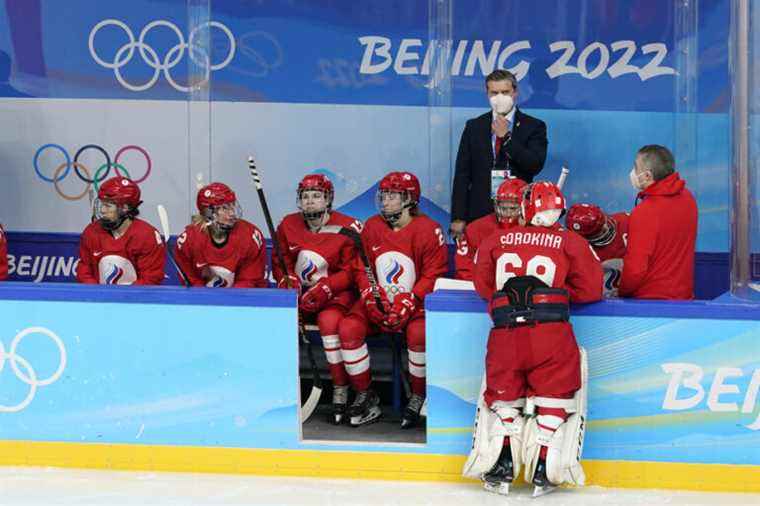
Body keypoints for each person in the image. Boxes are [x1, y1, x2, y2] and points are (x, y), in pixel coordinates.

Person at [465, 181, 602, 496]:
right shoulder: (571, 241)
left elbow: (484, 286)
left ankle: (502, 465)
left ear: (528, 208)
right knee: (553, 401)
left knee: (504, 401)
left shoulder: (496, 238)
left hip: (505, 333)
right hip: (551, 335)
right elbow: (591, 289)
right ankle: (543, 466)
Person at [337, 171, 448, 428]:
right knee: (348, 327)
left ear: (409, 199)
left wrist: (410, 299)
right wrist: (369, 297)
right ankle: (366, 394)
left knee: (419, 334)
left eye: (392, 196)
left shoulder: (429, 229)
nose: (385, 201)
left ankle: (419, 394)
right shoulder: (372, 226)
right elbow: (361, 267)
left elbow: (435, 273)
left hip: (416, 304)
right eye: (383, 195)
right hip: (379, 301)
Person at [273, 174, 364, 424]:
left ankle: (340, 385)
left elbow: (354, 269)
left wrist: (327, 287)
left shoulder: (348, 227)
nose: (310, 201)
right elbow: (282, 262)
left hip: (335, 298)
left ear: (328, 199)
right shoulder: (288, 225)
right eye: (305, 196)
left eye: (316, 196)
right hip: (301, 298)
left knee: (329, 322)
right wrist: (286, 279)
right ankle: (276, 392)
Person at [450, 69, 548, 239]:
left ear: (515, 92)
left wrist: (506, 138)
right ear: (487, 93)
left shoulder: (534, 126)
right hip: (479, 210)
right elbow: (462, 174)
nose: (499, 97)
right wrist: (458, 216)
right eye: (494, 93)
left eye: (505, 92)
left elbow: (534, 165)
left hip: (517, 211)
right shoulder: (474, 126)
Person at [620, 145, 697, 300]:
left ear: (647, 176)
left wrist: (621, 292)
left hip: (650, 305)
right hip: (684, 298)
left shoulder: (644, 212)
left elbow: (635, 270)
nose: (632, 173)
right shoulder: (688, 198)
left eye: (635, 168)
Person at [174, 182, 267, 288]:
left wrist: (227, 301)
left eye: (232, 206)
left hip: (243, 300)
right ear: (208, 213)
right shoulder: (189, 240)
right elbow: (192, 281)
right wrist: (205, 297)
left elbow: (249, 281)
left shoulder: (250, 236)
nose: (232, 213)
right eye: (225, 208)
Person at [77, 177, 165, 285]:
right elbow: (84, 271)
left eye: (108, 206)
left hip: (135, 300)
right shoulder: (91, 232)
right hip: (98, 299)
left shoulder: (147, 236)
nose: (102, 210)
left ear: (125, 207)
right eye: (102, 204)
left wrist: (123, 298)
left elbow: (150, 278)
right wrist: (98, 294)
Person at [455, 178, 527, 281]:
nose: (507, 213)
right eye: (503, 208)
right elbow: (464, 269)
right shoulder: (474, 229)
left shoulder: (537, 228)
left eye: (512, 208)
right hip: (479, 291)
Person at [566, 203, 629, 297]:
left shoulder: (626, 221)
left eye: (604, 224)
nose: (606, 229)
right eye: (600, 232)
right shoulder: (580, 254)